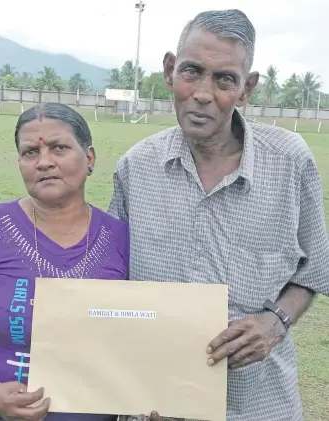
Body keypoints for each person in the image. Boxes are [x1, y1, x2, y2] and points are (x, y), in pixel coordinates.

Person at [109, 9, 329, 421]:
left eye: (224, 79)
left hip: (260, 407)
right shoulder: (134, 168)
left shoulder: (290, 162)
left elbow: (311, 272)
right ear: (170, 71)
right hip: (156, 405)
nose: (203, 93)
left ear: (246, 89)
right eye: (192, 71)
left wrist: (275, 321)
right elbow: (111, 287)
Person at [0, 103, 130, 421]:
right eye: (29, 153)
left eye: (59, 148)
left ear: (90, 157)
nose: (44, 162)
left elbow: (143, 334)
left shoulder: (121, 237)